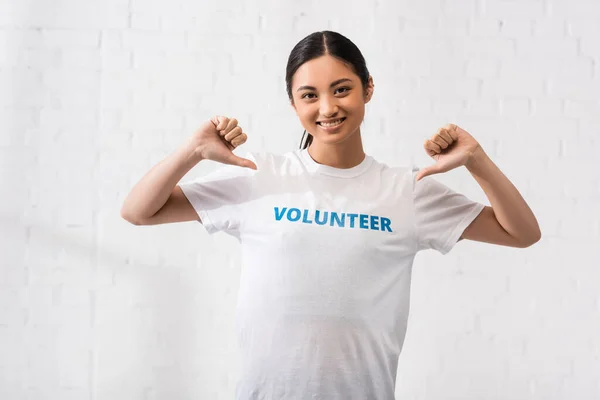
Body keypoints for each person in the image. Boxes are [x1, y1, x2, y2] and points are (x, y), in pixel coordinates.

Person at [121, 31, 541, 400]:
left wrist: (476, 160)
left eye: (342, 89)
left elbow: (522, 233)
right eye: (309, 95)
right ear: (293, 102)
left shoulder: (406, 190)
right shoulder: (258, 175)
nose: (327, 107)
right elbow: (138, 211)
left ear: (368, 88)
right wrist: (192, 150)